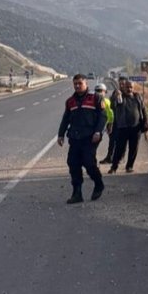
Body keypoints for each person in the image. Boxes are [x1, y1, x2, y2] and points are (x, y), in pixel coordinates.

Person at [57, 74, 107, 204]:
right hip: (75, 137)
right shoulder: (70, 101)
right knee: (73, 164)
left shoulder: (95, 98)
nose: (77, 86)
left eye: (80, 83)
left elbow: (103, 117)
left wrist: (98, 132)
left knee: (88, 163)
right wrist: (61, 134)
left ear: (86, 83)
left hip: (90, 138)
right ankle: (77, 193)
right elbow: (65, 119)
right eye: (75, 84)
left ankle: (98, 183)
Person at [107, 77, 148, 173]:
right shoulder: (119, 96)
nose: (129, 89)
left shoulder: (137, 96)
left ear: (133, 88)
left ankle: (129, 166)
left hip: (136, 127)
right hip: (123, 127)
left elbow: (143, 109)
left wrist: (146, 121)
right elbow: (113, 106)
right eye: (127, 87)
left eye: (131, 87)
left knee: (133, 148)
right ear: (123, 87)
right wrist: (116, 96)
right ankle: (114, 167)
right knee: (119, 149)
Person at [94, 81, 115, 165]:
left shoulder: (106, 101)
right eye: (98, 91)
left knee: (94, 144)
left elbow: (110, 114)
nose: (99, 93)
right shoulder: (105, 101)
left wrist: (110, 124)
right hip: (99, 126)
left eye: (100, 91)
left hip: (102, 125)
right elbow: (110, 114)